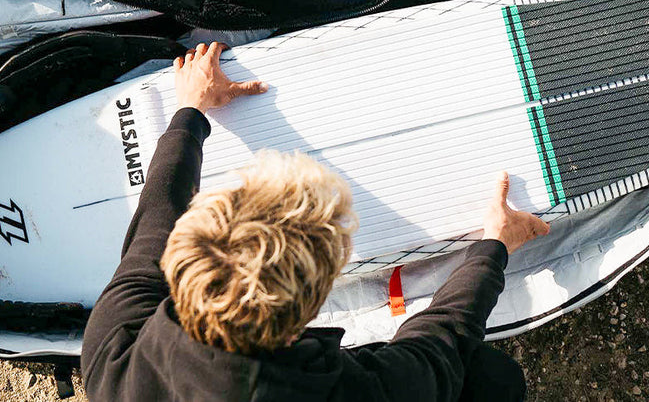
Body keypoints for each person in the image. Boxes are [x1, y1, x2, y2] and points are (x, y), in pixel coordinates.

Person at [81, 41, 550, 401]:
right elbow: (434, 355)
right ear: (307, 313)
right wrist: (493, 250)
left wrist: (190, 111)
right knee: (491, 380)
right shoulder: (336, 395)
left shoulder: (113, 350)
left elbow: (158, 215)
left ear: (182, 257)